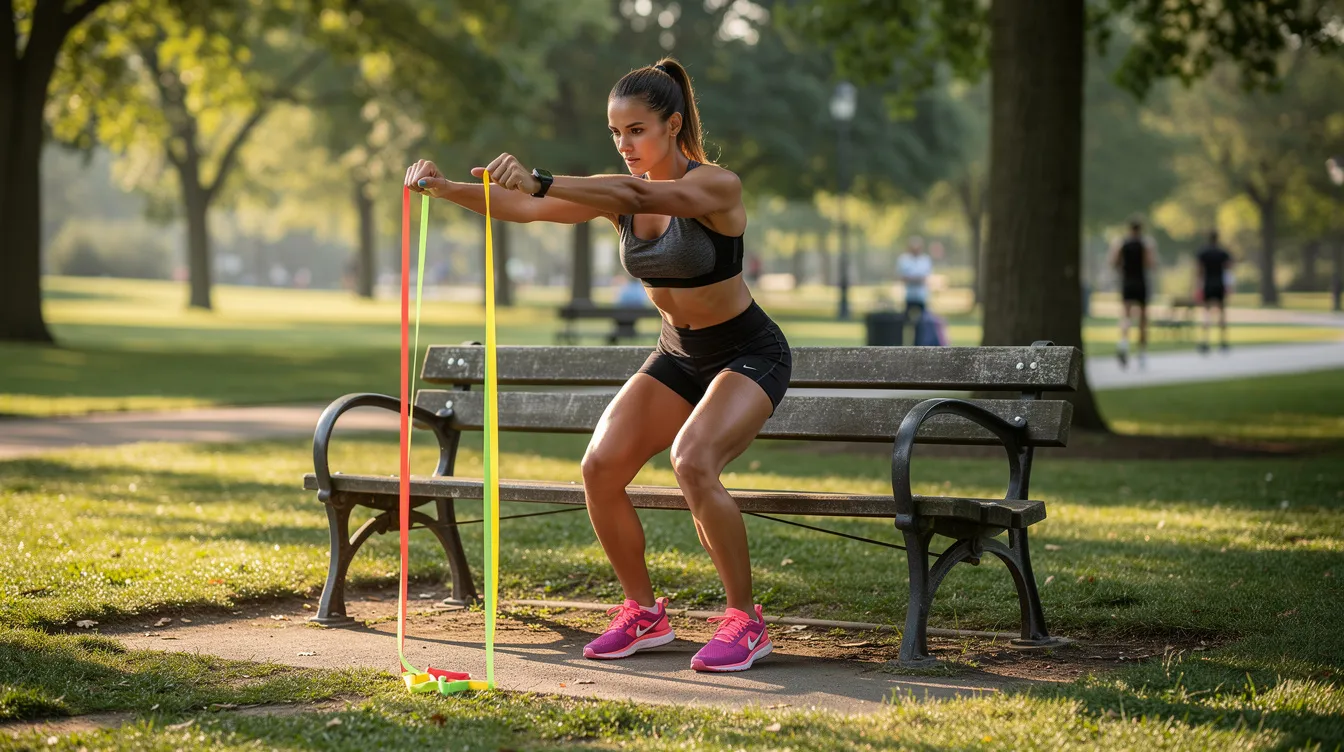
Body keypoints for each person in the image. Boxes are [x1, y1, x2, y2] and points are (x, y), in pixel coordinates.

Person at [405, 57, 788, 674]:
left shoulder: (717, 186)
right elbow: (527, 211)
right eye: (616, 133)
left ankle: (744, 620)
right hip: (678, 353)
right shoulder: (617, 194)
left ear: (672, 124)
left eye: (637, 130)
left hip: (748, 352)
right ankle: (643, 612)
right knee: (600, 467)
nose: (625, 144)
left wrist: (542, 179)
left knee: (693, 461)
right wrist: (445, 188)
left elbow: (633, 191)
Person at [1107, 219, 1158, 370]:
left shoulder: (1121, 243)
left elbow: (1113, 262)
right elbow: (1150, 264)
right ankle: (1142, 354)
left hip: (1127, 282)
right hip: (1140, 282)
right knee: (1142, 319)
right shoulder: (1145, 244)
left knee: (1126, 316)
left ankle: (1123, 344)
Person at [1194, 230, 1234, 354]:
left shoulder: (1203, 253)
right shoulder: (1222, 253)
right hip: (1219, 285)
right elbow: (1229, 270)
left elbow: (1199, 271)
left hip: (1208, 285)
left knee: (1206, 313)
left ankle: (1205, 342)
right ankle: (1223, 342)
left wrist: (1197, 286)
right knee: (1221, 313)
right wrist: (1229, 285)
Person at [896, 236, 932, 322]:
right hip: (909, 294)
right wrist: (915, 279)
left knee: (923, 320)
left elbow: (925, 277)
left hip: (921, 295)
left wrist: (912, 278)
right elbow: (902, 277)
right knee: (906, 319)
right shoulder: (904, 260)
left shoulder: (925, 260)